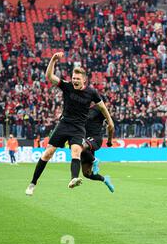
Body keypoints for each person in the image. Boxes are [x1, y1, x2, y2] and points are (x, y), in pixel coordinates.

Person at [25, 52, 114, 196]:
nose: (75, 80)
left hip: (78, 128)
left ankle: (73, 179)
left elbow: (103, 108)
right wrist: (53, 60)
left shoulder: (92, 93)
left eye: (77, 78)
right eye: (73, 78)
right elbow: (49, 77)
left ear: (84, 80)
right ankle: (32, 183)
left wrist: (110, 122)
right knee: (48, 153)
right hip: (64, 124)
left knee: (76, 152)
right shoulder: (67, 86)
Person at [80, 105, 115, 193]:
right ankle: (105, 179)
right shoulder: (81, 107)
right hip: (84, 139)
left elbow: (111, 126)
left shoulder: (100, 108)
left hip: (95, 138)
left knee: (81, 146)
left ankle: (95, 160)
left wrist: (109, 140)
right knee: (87, 174)